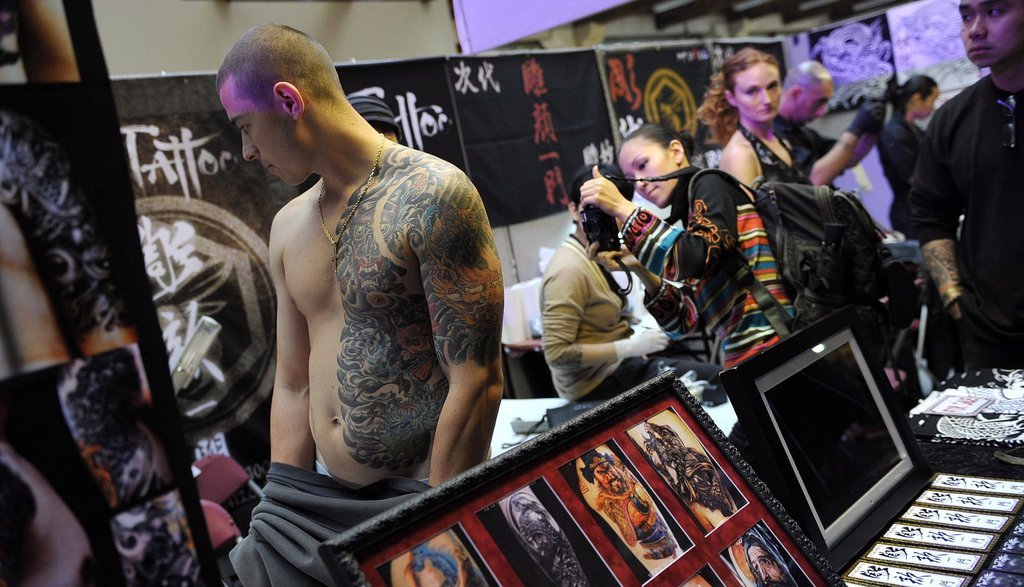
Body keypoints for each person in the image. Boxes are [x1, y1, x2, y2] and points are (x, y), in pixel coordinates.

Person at [217, 23, 504, 583]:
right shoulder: (288, 225)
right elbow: (293, 383)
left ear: (288, 100)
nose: (247, 151)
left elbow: (477, 379)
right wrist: (279, 508)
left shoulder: (432, 194)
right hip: (316, 503)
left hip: (419, 496)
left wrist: (441, 526)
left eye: (246, 127)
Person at [580, 123, 793, 368]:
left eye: (642, 165)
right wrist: (640, 267)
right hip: (750, 357)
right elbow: (682, 323)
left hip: (778, 347)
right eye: (630, 178)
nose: (639, 183)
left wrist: (622, 208)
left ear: (676, 151)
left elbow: (699, 258)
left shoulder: (710, 184)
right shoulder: (688, 218)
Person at [540, 164, 719, 402]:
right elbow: (556, 353)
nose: (608, 220)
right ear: (574, 210)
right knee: (716, 383)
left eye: (612, 208)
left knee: (716, 380)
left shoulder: (603, 253)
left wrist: (638, 266)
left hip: (623, 365)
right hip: (598, 383)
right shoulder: (568, 270)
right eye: (596, 210)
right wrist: (629, 347)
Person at [909, 0, 1024, 368]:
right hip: (989, 336)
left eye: (995, 11)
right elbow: (931, 215)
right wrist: (954, 297)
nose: (976, 29)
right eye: (966, 16)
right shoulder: (952, 120)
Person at [697, 48, 808, 186]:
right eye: (752, 91)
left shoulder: (780, 141)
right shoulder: (740, 155)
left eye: (772, 86)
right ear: (732, 98)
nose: (767, 100)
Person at [774, 60, 886, 186]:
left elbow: (848, 158)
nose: (821, 112)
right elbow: (814, 180)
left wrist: (871, 130)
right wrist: (855, 129)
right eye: (819, 102)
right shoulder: (773, 137)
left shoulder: (805, 134)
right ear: (796, 94)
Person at [878, 75, 939, 238]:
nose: (933, 107)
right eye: (933, 100)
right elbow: (913, 177)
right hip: (910, 214)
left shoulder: (912, 130)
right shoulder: (894, 133)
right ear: (917, 99)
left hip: (919, 209)